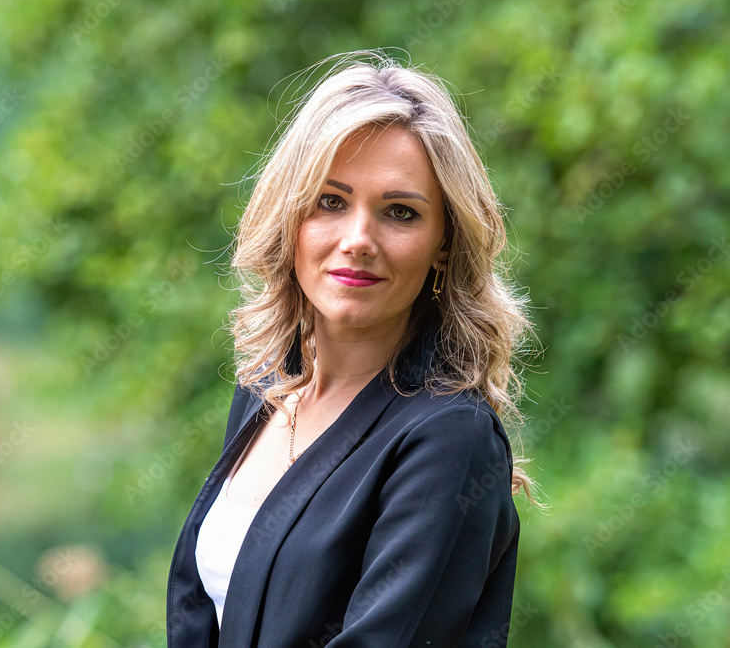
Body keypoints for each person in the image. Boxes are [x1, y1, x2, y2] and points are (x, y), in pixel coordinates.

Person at [167, 51, 539, 647]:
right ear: (290, 217)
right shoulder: (267, 386)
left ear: (444, 243)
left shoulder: (450, 439)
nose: (358, 240)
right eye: (331, 202)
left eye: (400, 212)